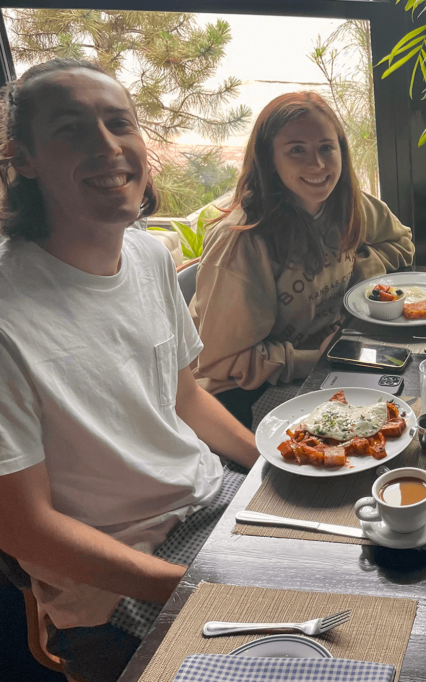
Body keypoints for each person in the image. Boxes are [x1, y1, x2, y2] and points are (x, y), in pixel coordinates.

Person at [0, 59, 260, 682]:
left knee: (370, 563)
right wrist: (197, 587)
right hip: (117, 576)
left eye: (121, 124)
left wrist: (277, 471)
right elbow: (25, 530)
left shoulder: (147, 253)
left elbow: (185, 399)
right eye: (71, 129)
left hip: (210, 499)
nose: (108, 146)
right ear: (23, 158)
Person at [189, 92, 415, 425]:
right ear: (269, 159)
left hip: (328, 361)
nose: (318, 165)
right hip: (240, 395)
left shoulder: (347, 205)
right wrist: (315, 359)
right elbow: (221, 362)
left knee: (414, 399)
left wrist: (360, 272)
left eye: (326, 147)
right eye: (297, 150)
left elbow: (401, 243)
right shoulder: (242, 242)